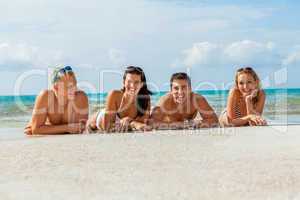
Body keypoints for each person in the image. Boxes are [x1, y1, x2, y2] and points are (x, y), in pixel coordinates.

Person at [24, 66, 89, 135]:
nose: (74, 89)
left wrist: (47, 129)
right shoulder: (45, 96)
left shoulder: (80, 97)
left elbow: (81, 128)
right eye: (69, 87)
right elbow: (36, 130)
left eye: (75, 85)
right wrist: (68, 128)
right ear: (56, 87)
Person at [87, 66, 152, 132]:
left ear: (141, 84)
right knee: (88, 125)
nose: (132, 85)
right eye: (129, 81)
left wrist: (129, 121)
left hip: (115, 122)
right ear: (124, 82)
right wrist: (132, 123)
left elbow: (142, 125)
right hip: (98, 120)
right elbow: (106, 127)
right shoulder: (115, 95)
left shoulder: (145, 99)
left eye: (136, 82)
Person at [151, 72, 219, 129]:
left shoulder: (197, 99)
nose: (180, 92)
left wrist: (196, 124)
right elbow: (151, 123)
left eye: (184, 87)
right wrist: (180, 125)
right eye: (176, 88)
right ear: (171, 90)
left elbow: (214, 120)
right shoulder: (165, 101)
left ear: (190, 89)